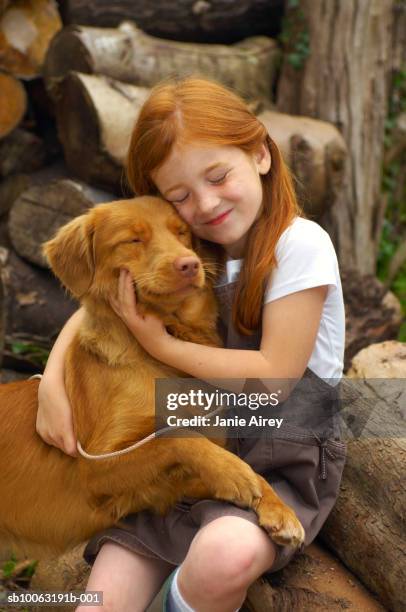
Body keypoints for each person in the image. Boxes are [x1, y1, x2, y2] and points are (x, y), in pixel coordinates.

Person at [36, 76, 347, 612]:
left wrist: (159, 344)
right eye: (179, 196)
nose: (204, 203)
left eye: (218, 176)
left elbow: (274, 379)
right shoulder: (190, 244)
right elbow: (101, 304)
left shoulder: (300, 245)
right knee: (99, 603)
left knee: (222, 557)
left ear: (260, 153)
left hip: (280, 454)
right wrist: (52, 382)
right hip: (186, 449)